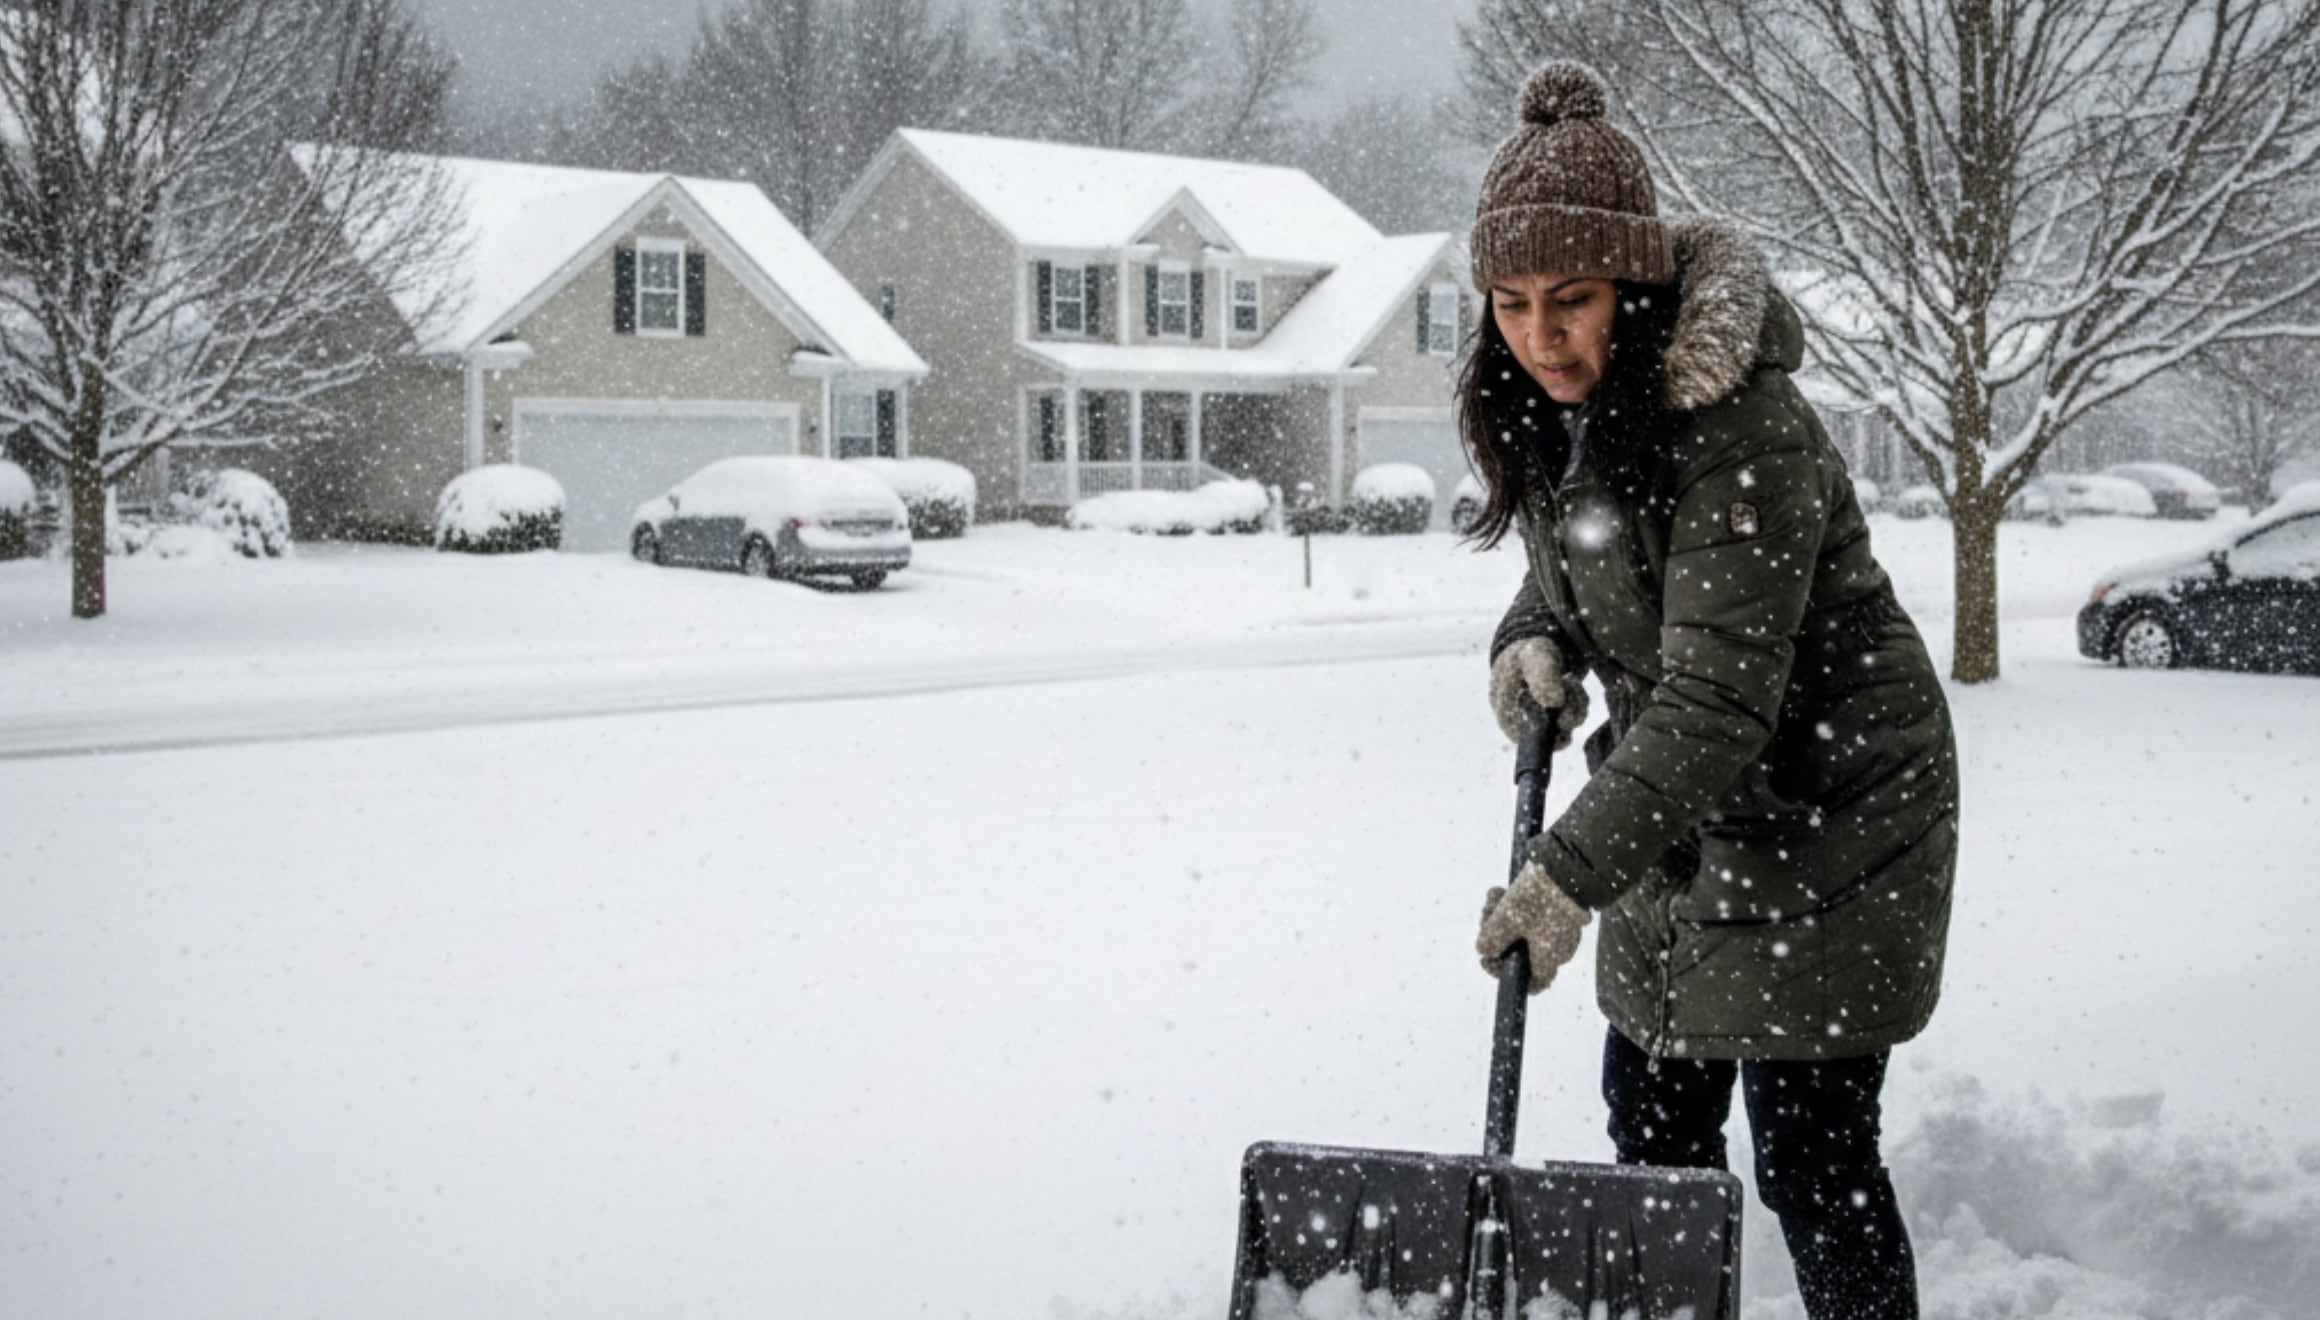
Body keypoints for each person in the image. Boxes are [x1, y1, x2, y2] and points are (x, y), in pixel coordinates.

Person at [1464, 61, 1959, 1320]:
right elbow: (1587, 575)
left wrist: (1564, 875)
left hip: (1830, 807)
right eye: (1512, 304)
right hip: (1679, 816)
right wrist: (1532, 642)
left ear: (1635, 287)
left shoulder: (1742, 430)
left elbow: (1720, 699)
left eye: (1570, 299)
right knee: (1654, 1122)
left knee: (1810, 1153)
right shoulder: (1563, 413)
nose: (1541, 335)